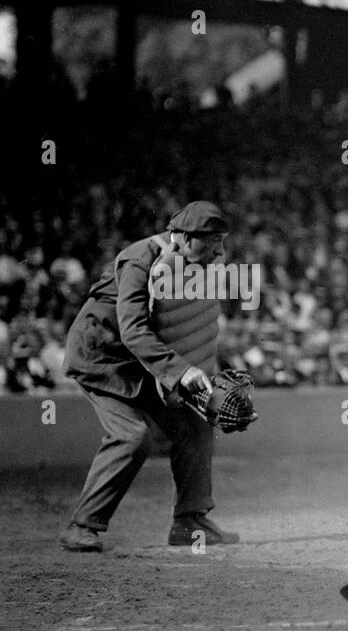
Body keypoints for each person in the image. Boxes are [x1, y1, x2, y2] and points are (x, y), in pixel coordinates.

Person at [57, 201, 240, 552]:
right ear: (183, 237)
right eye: (212, 240)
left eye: (222, 240)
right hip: (101, 357)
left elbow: (187, 325)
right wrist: (180, 371)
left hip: (142, 361)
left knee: (196, 421)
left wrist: (205, 377)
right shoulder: (140, 259)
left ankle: (190, 521)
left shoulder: (196, 263)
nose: (220, 249)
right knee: (131, 435)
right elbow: (134, 329)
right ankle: (80, 526)